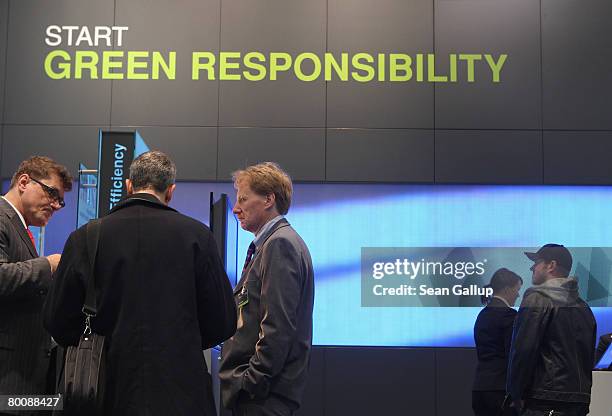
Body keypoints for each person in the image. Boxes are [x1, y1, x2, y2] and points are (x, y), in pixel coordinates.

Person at [43, 151, 236, 416]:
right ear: (170, 191)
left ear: (129, 186)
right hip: (181, 392)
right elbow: (223, 321)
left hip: (105, 392)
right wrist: (181, 341)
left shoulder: (85, 238)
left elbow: (57, 321)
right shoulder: (198, 237)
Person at [219, 162, 314, 416]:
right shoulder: (273, 243)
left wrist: (250, 382)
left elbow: (277, 326)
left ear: (268, 199)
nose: (236, 209)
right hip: (263, 395)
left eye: (243, 199)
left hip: (263, 397)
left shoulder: (280, 244)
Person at [0, 156, 72, 413]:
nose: (56, 204)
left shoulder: (18, 225)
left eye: (60, 200)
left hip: (24, 380)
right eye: (52, 193)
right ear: (23, 181)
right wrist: (48, 265)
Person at [507, 244, 597, 416]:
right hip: (578, 403)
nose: (532, 267)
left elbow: (523, 350)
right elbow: (587, 357)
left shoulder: (537, 298)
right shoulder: (584, 307)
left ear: (551, 265)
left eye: (537, 262)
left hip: (542, 401)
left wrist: (515, 394)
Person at [472, 268, 523, 416]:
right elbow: (513, 357)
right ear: (507, 289)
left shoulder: (482, 315)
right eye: (517, 289)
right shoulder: (510, 317)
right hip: (501, 391)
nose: (518, 294)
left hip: (480, 388)